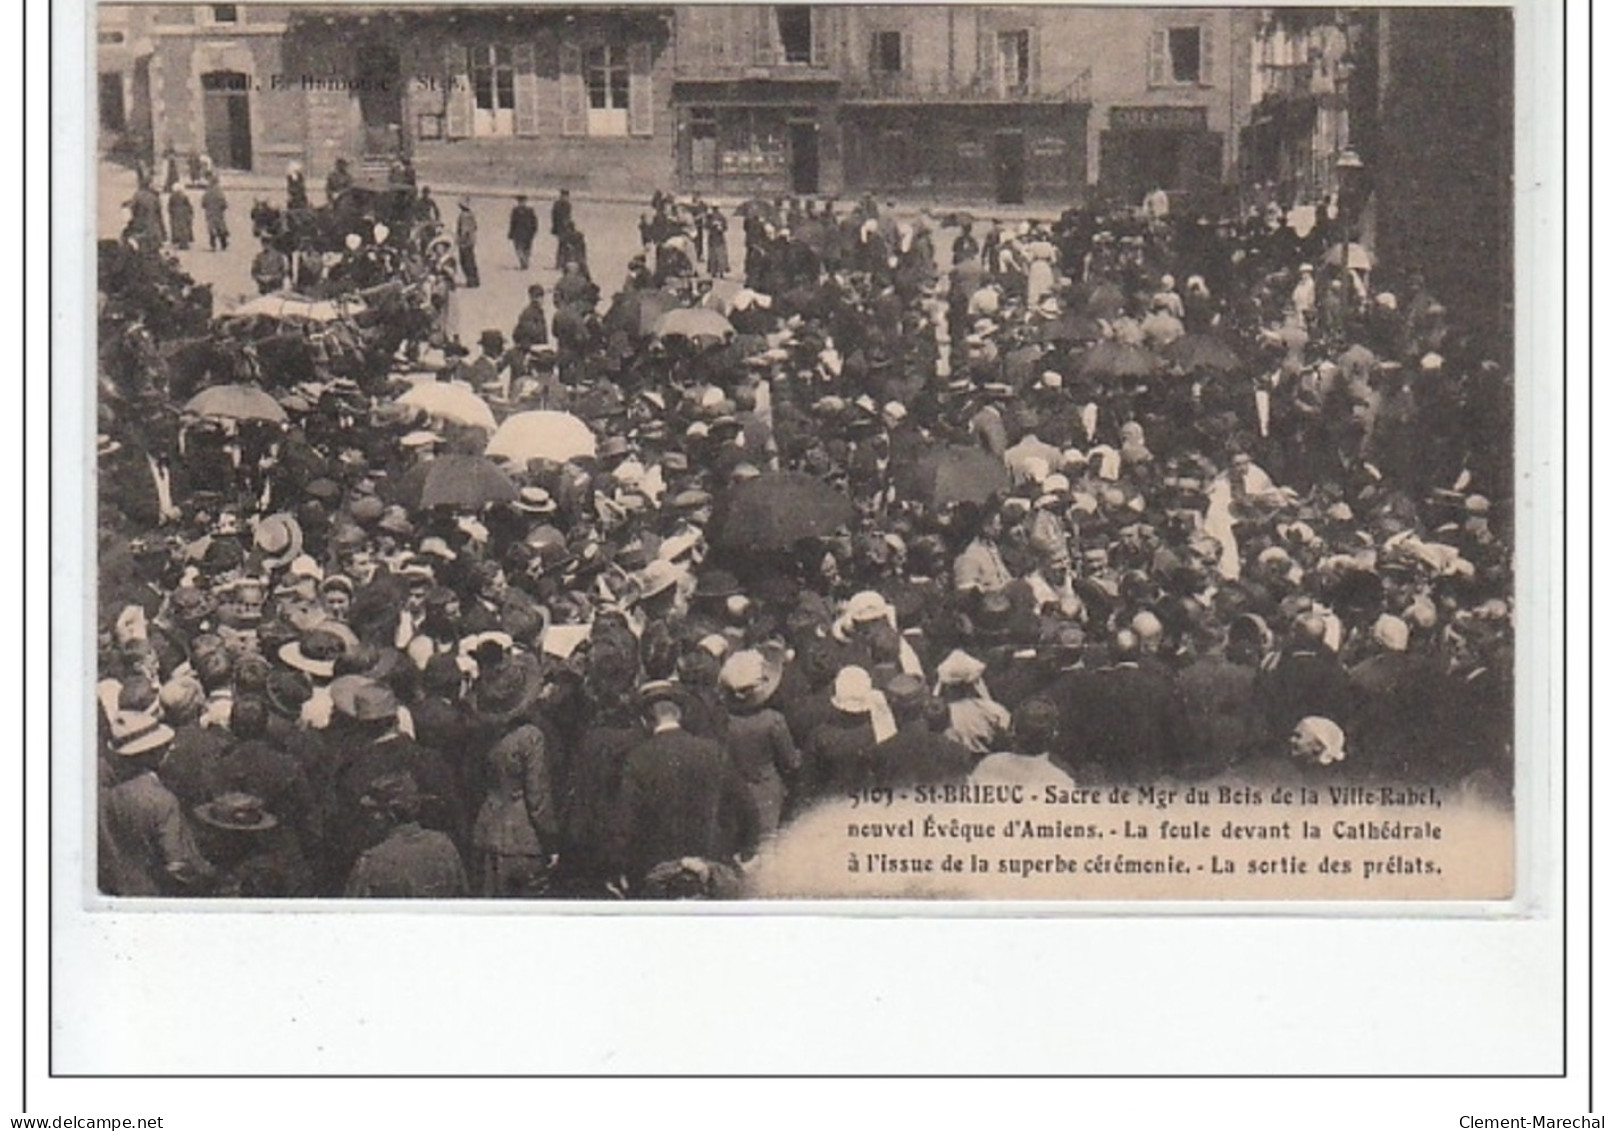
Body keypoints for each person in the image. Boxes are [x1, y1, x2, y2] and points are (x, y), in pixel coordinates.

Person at [611, 681, 758, 892]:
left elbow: (625, 824)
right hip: (712, 866)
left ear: (646, 720)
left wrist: (620, 868)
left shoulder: (638, 758)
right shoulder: (713, 751)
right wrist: (745, 851)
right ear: (679, 714)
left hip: (659, 870)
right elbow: (746, 807)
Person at [344, 771, 469, 898]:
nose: (369, 819)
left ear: (390, 815)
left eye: (374, 811)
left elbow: (351, 913)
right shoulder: (445, 846)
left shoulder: (370, 862)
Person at [508, 194, 538, 270]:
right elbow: (513, 223)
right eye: (521, 201)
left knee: (523, 249)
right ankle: (524, 262)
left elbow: (534, 222)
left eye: (522, 201)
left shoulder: (518, 210)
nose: (521, 203)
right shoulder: (526, 210)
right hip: (523, 233)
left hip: (523, 233)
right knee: (523, 249)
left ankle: (524, 262)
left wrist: (534, 231)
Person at [456, 198, 480, 288]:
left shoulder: (463, 216)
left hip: (465, 242)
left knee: (465, 261)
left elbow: (464, 230)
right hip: (471, 241)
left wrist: (460, 240)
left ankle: (471, 280)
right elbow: (475, 227)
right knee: (471, 260)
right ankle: (475, 280)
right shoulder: (471, 215)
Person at [201, 176, 229, 251]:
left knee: (212, 229)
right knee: (221, 228)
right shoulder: (220, 192)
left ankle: (213, 245)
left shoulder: (207, 192)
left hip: (210, 213)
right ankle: (223, 244)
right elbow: (224, 204)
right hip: (219, 214)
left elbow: (203, 203)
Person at [550, 188, 572, 269]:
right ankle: (560, 263)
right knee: (562, 245)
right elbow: (554, 217)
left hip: (566, 228)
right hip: (560, 228)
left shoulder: (568, 205)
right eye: (563, 196)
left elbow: (569, 217)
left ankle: (562, 263)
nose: (565, 198)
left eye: (566, 196)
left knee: (564, 246)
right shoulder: (557, 204)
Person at [167, 187, 195, 251]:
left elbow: (169, 206)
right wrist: (191, 213)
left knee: (177, 228)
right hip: (184, 213)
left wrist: (171, 212)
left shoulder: (172, 197)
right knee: (184, 229)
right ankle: (184, 243)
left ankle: (178, 241)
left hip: (176, 214)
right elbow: (189, 205)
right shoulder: (184, 196)